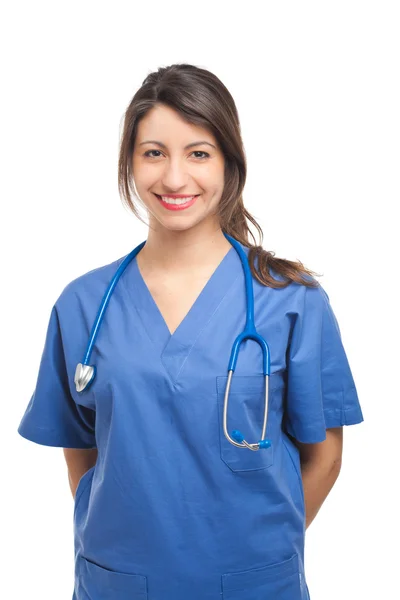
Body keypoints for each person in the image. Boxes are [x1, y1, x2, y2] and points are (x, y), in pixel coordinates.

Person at [17, 63, 364, 600]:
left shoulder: (292, 301)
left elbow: (327, 457)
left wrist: (261, 549)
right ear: (129, 163)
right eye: (153, 152)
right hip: (120, 581)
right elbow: (80, 452)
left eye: (198, 153)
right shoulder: (83, 305)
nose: (174, 178)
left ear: (229, 162)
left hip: (256, 582)